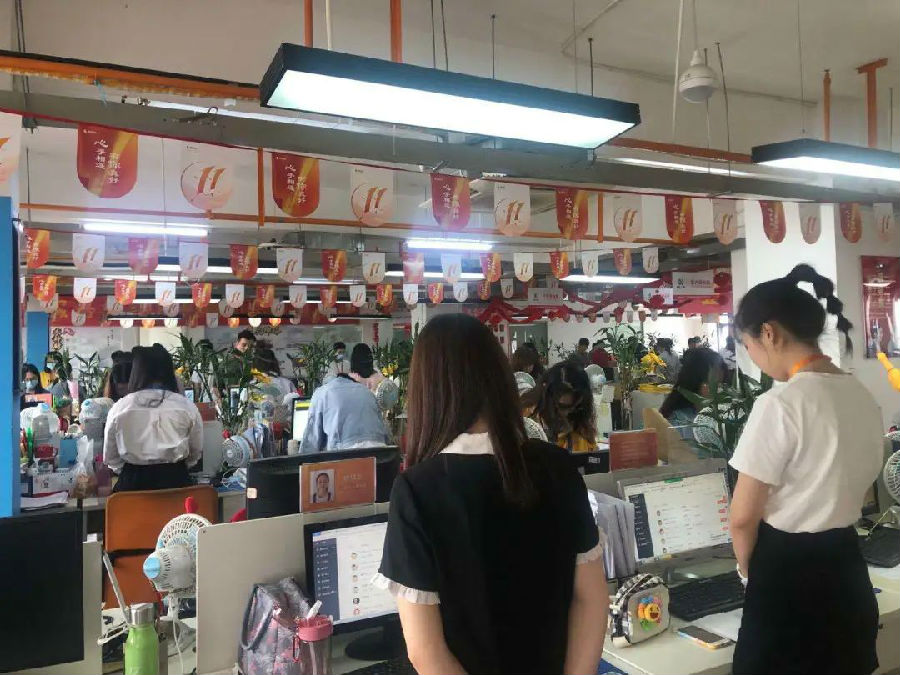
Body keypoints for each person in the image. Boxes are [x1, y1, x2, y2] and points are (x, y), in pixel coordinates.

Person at [374, 314, 607, 675]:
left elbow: (426, 652)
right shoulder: (558, 467)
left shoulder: (418, 490)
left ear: (427, 392)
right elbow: (591, 600)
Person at [727, 264, 882, 675]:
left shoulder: (779, 404)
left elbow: (742, 518)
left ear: (769, 334)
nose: (752, 357)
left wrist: (750, 574)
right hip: (848, 571)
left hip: (787, 582)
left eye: (748, 345)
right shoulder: (862, 395)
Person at [103, 344, 204, 492]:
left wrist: (130, 469)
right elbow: (196, 452)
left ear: (136, 372)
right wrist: (177, 466)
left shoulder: (120, 407)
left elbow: (111, 458)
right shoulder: (186, 406)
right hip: (176, 483)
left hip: (132, 486)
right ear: (169, 371)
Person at [300, 367, 390, 453]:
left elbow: (310, 444)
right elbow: (385, 435)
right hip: (380, 456)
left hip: (346, 457)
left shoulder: (322, 392)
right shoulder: (368, 393)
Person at [521, 361, 597, 453]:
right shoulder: (526, 418)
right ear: (546, 393)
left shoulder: (579, 427)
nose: (566, 413)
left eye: (576, 408)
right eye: (562, 406)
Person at [658, 347, 725, 443]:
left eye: (722, 384)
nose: (720, 390)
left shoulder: (723, 416)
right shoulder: (677, 422)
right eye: (714, 384)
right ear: (694, 383)